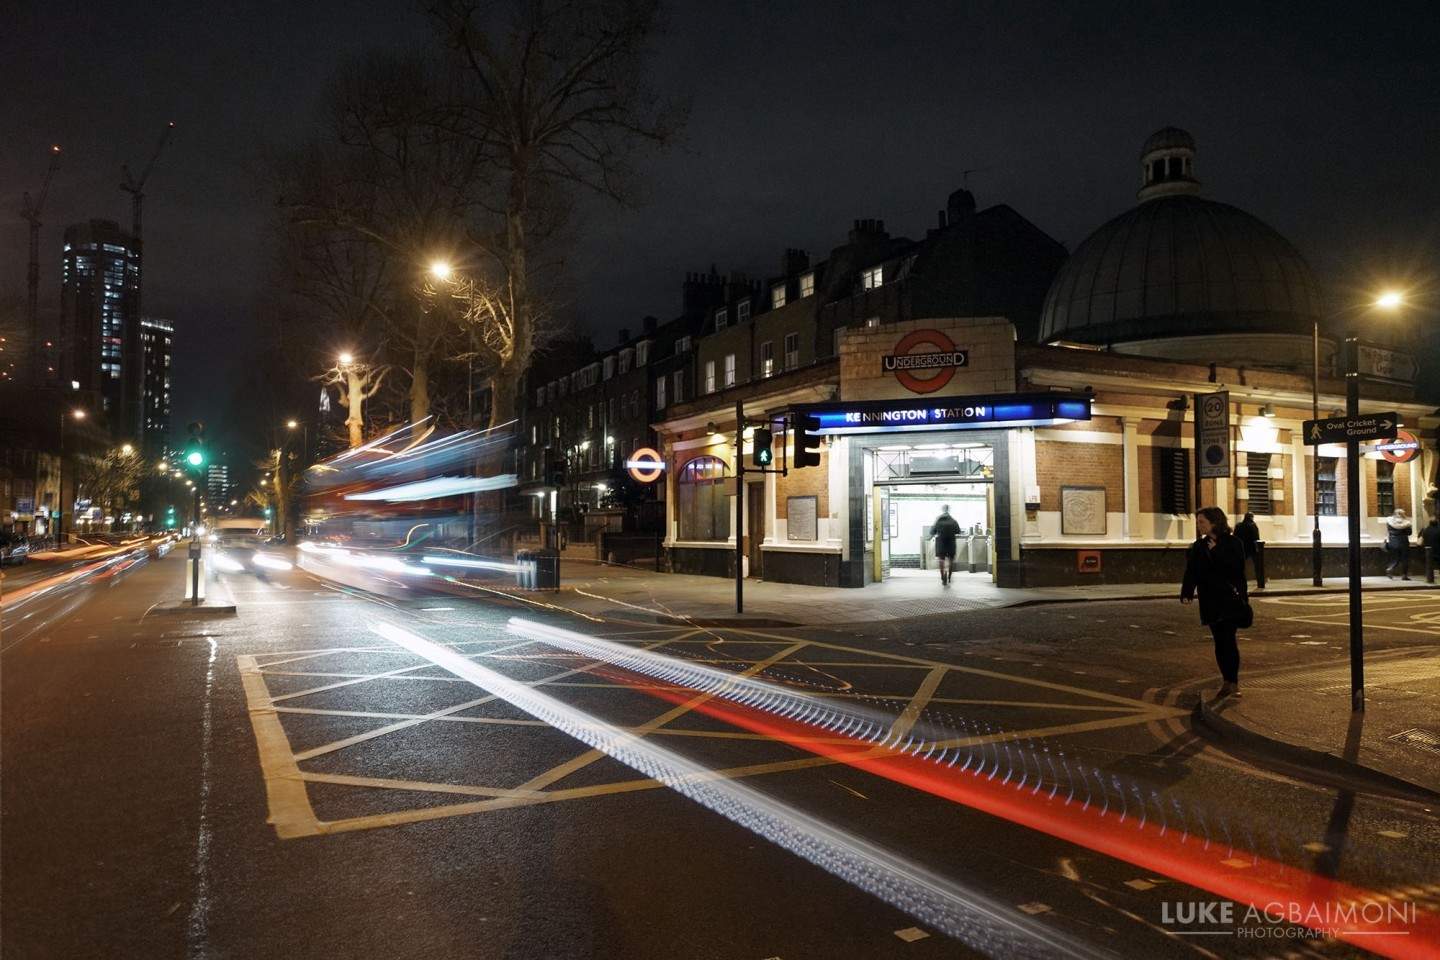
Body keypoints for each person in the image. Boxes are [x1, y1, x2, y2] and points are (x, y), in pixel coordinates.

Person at [1181, 506, 1249, 698]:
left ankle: (1233, 682)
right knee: (1219, 642)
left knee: (1228, 639)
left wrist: (1217, 552)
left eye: (1202, 522)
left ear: (1214, 522)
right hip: (1209, 600)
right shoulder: (1199, 546)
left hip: (1228, 600)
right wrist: (1187, 592)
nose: (1199, 525)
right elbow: (1192, 571)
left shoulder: (1233, 543)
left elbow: (1236, 570)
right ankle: (1226, 680)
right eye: (1198, 522)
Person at [930, 506, 962, 586]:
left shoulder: (938, 520)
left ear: (943, 510)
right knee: (951, 560)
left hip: (941, 543)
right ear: (948, 510)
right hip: (951, 542)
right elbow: (958, 531)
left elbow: (932, 531)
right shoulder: (953, 520)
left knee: (941, 560)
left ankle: (942, 576)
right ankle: (949, 576)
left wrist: (937, 532)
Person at [1385, 508, 1413, 580]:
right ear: (1402, 514)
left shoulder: (1389, 521)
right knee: (1405, 558)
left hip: (1393, 541)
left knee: (1395, 557)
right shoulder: (1406, 523)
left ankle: (1390, 568)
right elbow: (1409, 533)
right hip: (1403, 541)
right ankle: (1404, 575)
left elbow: (1389, 531)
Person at [1235, 511, 1261, 580]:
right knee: (1257, 564)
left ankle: (1239, 578)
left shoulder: (1238, 525)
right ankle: (1259, 579)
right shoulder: (1253, 525)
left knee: (1240, 565)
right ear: (1251, 517)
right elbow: (1256, 538)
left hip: (1241, 548)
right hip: (1252, 548)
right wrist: (1257, 548)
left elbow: (1235, 537)